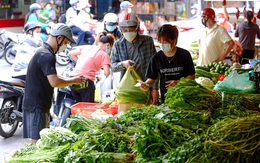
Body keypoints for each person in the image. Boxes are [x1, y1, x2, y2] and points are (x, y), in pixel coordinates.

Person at [22, 23, 86, 144]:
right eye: (66, 42)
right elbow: (55, 82)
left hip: (39, 103)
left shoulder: (45, 51)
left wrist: (73, 79)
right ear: (59, 38)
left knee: (41, 141)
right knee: (37, 143)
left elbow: (53, 76)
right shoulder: (46, 55)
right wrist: (73, 81)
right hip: (36, 105)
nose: (65, 46)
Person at [110, 13, 159, 104]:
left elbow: (154, 67)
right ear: (121, 30)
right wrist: (122, 64)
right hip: (128, 89)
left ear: (137, 28)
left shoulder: (147, 41)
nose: (128, 32)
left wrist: (155, 88)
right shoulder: (118, 44)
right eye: (125, 30)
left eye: (131, 29)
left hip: (146, 85)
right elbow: (112, 67)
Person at [139, 24, 195, 103]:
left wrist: (179, 82)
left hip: (184, 97)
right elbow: (152, 78)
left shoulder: (185, 55)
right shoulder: (156, 58)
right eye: (160, 42)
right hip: (166, 98)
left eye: (164, 42)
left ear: (174, 41)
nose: (162, 44)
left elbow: (191, 76)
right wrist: (146, 84)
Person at [69, 31, 115, 102]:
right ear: (108, 45)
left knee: (78, 107)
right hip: (85, 83)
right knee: (87, 109)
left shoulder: (87, 47)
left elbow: (71, 53)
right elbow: (107, 73)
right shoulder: (104, 55)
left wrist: (80, 61)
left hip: (73, 80)